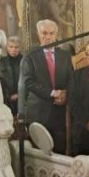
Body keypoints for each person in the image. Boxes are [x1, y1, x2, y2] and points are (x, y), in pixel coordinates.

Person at [21, 19, 74, 154]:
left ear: (56, 34)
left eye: (51, 33)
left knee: (59, 153)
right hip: (38, 113)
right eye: (44, 33)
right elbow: (28, 82)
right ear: (38, 34)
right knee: (39, 155)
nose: (48, 37)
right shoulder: (30, 55)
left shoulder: (64, 55)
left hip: (59, 114)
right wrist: (53, 93)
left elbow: (71, 79)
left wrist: (65, 94)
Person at [0, 36, 22, 117]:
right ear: (7, 47)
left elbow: (28, 81)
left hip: (22, 100)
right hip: (5, 101)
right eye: (11, 47)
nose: (13, 49)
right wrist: (8, 96)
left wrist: (19, 94)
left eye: (16, 47)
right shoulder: (1, 62)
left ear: (20, 48)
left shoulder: (25, 61)